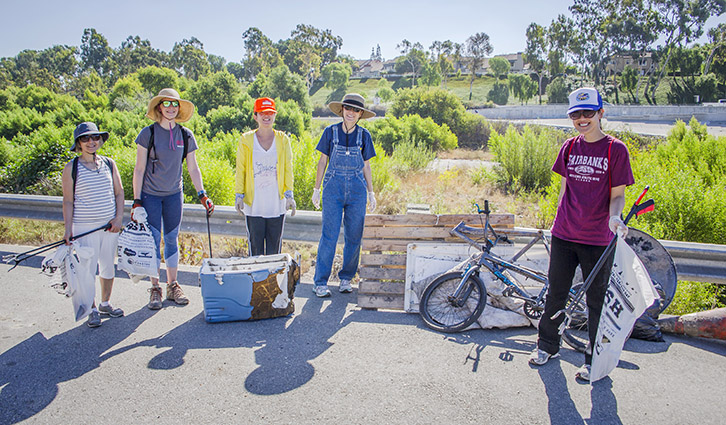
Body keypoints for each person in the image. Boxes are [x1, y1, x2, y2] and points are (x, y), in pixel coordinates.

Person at [529, 87, 634, 382]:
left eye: (588, 113)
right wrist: (556, 222)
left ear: (601, 113)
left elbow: (618, 195)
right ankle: (547, 346)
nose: (582, 119)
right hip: (564, 234)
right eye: (576, 114)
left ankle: (594, 360)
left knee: (596, 301)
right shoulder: (569, 147)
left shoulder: (616, 150)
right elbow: (564, 190)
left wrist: (615, 219)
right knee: (556, 295)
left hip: (598, 239)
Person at [131, 88, 214, 310]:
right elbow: (139, 170)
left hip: (173, 196)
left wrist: (202, 194)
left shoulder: (186, 135)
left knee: (171, 239)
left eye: (174, 104)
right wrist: (137, 200)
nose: (170, 108)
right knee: (152, 241)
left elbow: (193, 168)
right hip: (150, 196)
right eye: (166, 104)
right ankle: (155, 288)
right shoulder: (147, 134)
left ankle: (173, 285)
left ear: (178, 108)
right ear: (159, 107)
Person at [311, 93, 377, 298]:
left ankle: (346, 278)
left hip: (357, 191)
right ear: (342, 110)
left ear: (360, 114)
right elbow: (322, 161)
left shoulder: (364, 136)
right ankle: (320, 282)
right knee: (329, 236)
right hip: (333, 189)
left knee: (354, 237)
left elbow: (366, 166)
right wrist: (317, 188)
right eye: (348, 108)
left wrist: (371, 192)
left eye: (356, 110)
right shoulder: (330, 133)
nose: (351, 113)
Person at [61, 122, 125, 328]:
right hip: (84, 227)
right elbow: (68, 201)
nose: (91, 142)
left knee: (108, 265)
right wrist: (68, 230)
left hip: (109, 227)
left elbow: (119, 192)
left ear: (100, 140)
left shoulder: (109, 164)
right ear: (78, 143)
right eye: (85, 139)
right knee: (86, 270)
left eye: (95, 138)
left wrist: (118, 218)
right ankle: (92, 308)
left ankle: (105, 303)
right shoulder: (71, 168)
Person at [235, 97, 296, 256]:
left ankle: (272, 281)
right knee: (255, 251)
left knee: (274, 252)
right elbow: (241, 169)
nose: (266, 116)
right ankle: (256, 281)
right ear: (255, 116)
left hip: (276, 204)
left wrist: (289, 195)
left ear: (275, 116)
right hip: (254, 205)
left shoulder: (283, 140)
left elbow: (288, 169)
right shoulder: (246, 139)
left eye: (270, 113)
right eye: (262, 113)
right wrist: (239, 195)